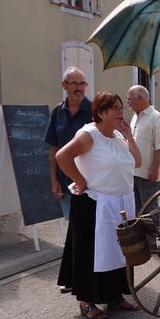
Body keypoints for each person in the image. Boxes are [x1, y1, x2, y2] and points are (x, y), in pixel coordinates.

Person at [56, 92, 142, 319]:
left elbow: (138, 162)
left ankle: (115, 296)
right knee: (91, 253)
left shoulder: (116, 136)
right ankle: (86, 301)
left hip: (119, 203)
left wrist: (129, 136)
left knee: (117, 251)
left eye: (122, 108)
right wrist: (81, 181)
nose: (121, 113)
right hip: (94, 204)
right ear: (101, 112)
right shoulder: (89, 134)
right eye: (116, 109)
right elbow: (62, 156)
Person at [44, 67, 92, 219]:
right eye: (74, 84)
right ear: (64, 85)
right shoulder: (57, 112)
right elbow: (54, 149)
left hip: (91, 183)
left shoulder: (95, 111)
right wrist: (54, 180)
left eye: (82, 84)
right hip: (66, 183)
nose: (79, 88)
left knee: (90, 230)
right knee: (71, 228)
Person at [127, 85, 160, 213]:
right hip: (133, 173)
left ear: (140, 99)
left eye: (130, 99)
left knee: (150, 212)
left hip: (147, 174)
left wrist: (154, 169)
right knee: (137, 211)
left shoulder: (156, 117)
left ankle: (152, 234)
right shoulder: (135, 117)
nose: (128, 102)